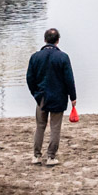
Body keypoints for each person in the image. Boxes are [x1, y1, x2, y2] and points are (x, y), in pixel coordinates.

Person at [25, 27, 76, 166]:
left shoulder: (35, 57)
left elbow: (30, 78)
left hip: (41, 96)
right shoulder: (63, 57)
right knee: (55, 127)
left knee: (40, 126)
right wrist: (73, 97)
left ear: (45, 40)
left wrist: (35, 93)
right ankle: (51, 157)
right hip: (58, 97)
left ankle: (36, 156)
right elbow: (69, 79)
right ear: (58, 41)